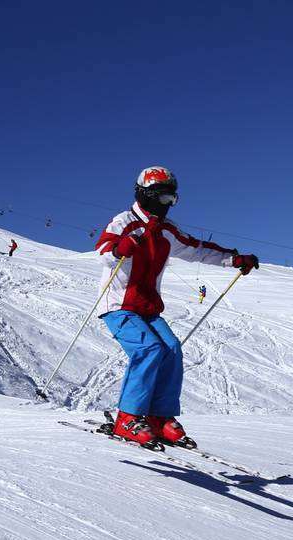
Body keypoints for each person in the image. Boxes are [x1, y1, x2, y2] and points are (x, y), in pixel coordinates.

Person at [94, 166, 259, 448]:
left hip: (148, 307)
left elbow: (197, 249)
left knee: (171, 349)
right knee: (148, 349)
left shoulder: (167, 231)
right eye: (161, 198)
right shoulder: (125, 222)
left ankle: (158, 416)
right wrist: (120, 248)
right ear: (145, 194)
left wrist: (233, 259)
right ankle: (127, 418)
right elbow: (102, 251)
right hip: (119, 304)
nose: (165, 205)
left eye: (171, 199)